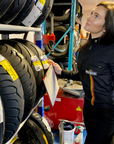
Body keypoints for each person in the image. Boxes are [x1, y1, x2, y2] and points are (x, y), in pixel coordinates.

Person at [48, 1, 114, 144]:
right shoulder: (86, 49)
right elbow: (83, 75)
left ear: (105, 27)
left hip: (106, 114)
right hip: (89, 109)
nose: (89, 18)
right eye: (92, 13)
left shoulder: (111, 51)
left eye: (96, 16)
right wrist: (61, 71)